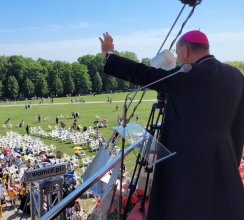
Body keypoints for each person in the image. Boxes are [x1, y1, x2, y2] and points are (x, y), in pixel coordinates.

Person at [99, 31, 244, 219]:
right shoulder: (235, 74)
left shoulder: (189, 72)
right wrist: (232, 156)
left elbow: (144, 74)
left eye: (177, 53)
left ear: (184, 50)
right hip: (223, 156)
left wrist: (109, 56)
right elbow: (238, 123)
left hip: (188, 164)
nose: (178, 58)